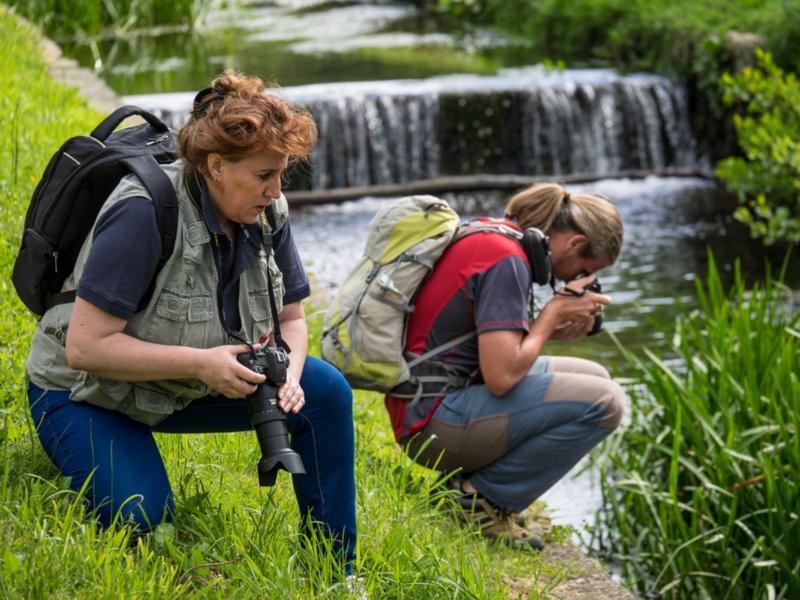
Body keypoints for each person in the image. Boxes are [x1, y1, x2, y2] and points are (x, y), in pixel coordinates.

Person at [25, 71, 356, 569]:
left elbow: (293, 318)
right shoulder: (143, 211)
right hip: (85, 393)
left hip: (183, 382)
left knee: (327, 392)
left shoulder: (267, 212)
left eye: (282, 174)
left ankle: (334, 569)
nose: (276, 188)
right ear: (217, 166)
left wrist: (290, 368)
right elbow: (85, 348)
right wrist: (202, 365)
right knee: (142, 519)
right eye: (265, 175)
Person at [384, 183, 626, 549]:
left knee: (596, 377)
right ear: (574, 244)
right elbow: (501, 377)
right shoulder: (506, 260)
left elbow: (478, 347)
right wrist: (553, 312)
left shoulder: (494, 236)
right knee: (607, 401)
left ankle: (467, 485)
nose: (569, 281)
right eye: (582, 271)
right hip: (432, 425)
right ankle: (479, 499)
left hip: (427, 405)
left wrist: (553, 329)